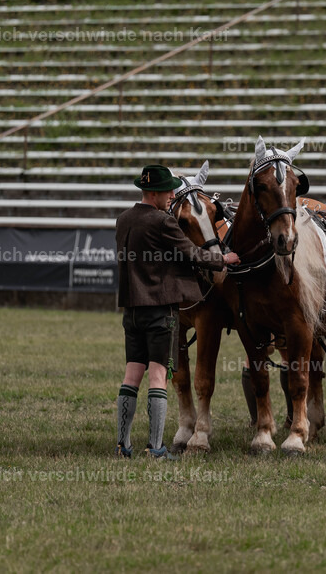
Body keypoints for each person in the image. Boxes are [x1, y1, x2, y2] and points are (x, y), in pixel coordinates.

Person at [115, 164, 239, 459]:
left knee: (131, 376)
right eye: (168, 191)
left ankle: (123, 444)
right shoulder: (164, 223)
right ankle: (156, 448)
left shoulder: (123, 219)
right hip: (159, 310)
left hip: (131, 311)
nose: (172, 196)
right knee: (158, 378)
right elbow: (193, 253)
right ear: (155, 193)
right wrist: (223, 259)